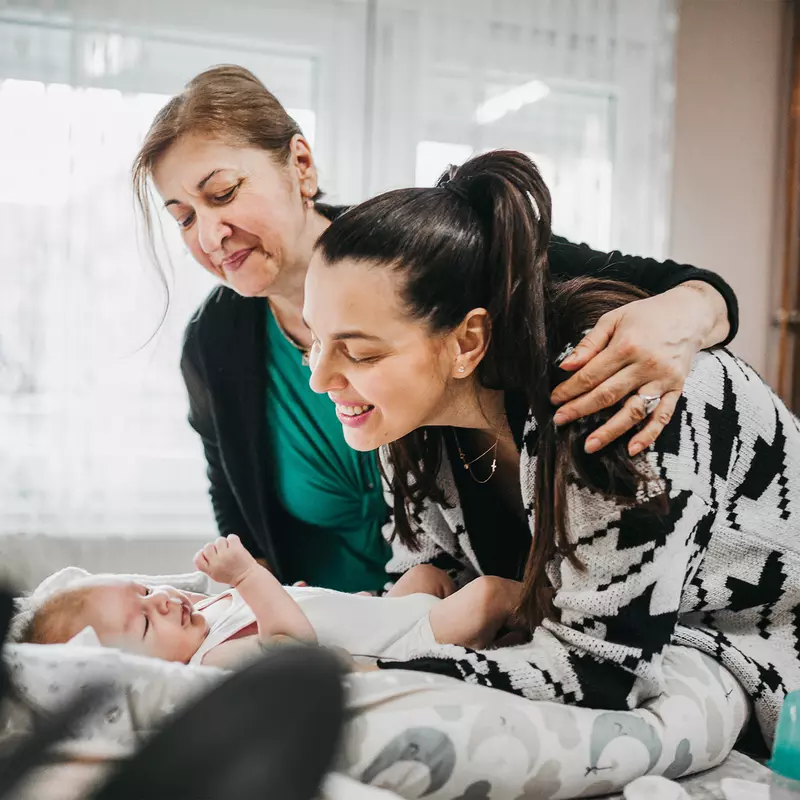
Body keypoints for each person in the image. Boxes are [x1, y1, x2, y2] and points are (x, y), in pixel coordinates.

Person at [132, 65, 737, 594]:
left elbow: (692, 287)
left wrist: (678, 319)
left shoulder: (422, 254)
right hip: (349, 629)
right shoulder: (214, 346)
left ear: (300, 164)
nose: (209, 237)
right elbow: (242, 529)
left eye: (223, 193)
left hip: (483, 614)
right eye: (183, 218)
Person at [303, 149, 800, 749]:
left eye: (359, 353)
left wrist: (366, 674)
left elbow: (603, 675)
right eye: (316, 340)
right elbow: (426, 573)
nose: (320, 377)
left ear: (467, 341)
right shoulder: (409, 421)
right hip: (635, 649)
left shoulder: (607, 402)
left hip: (753, 657)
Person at [21, 535, 522, 669]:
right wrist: (246, 577)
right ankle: (563, 617)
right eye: (146, 626)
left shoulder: (200, 617)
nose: (164, 604)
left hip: (381, 611)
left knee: (426, 573)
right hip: (401, 644)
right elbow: (293, 648)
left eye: (147, 593)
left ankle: (501, 639)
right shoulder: (211, 660)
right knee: (487, 595)